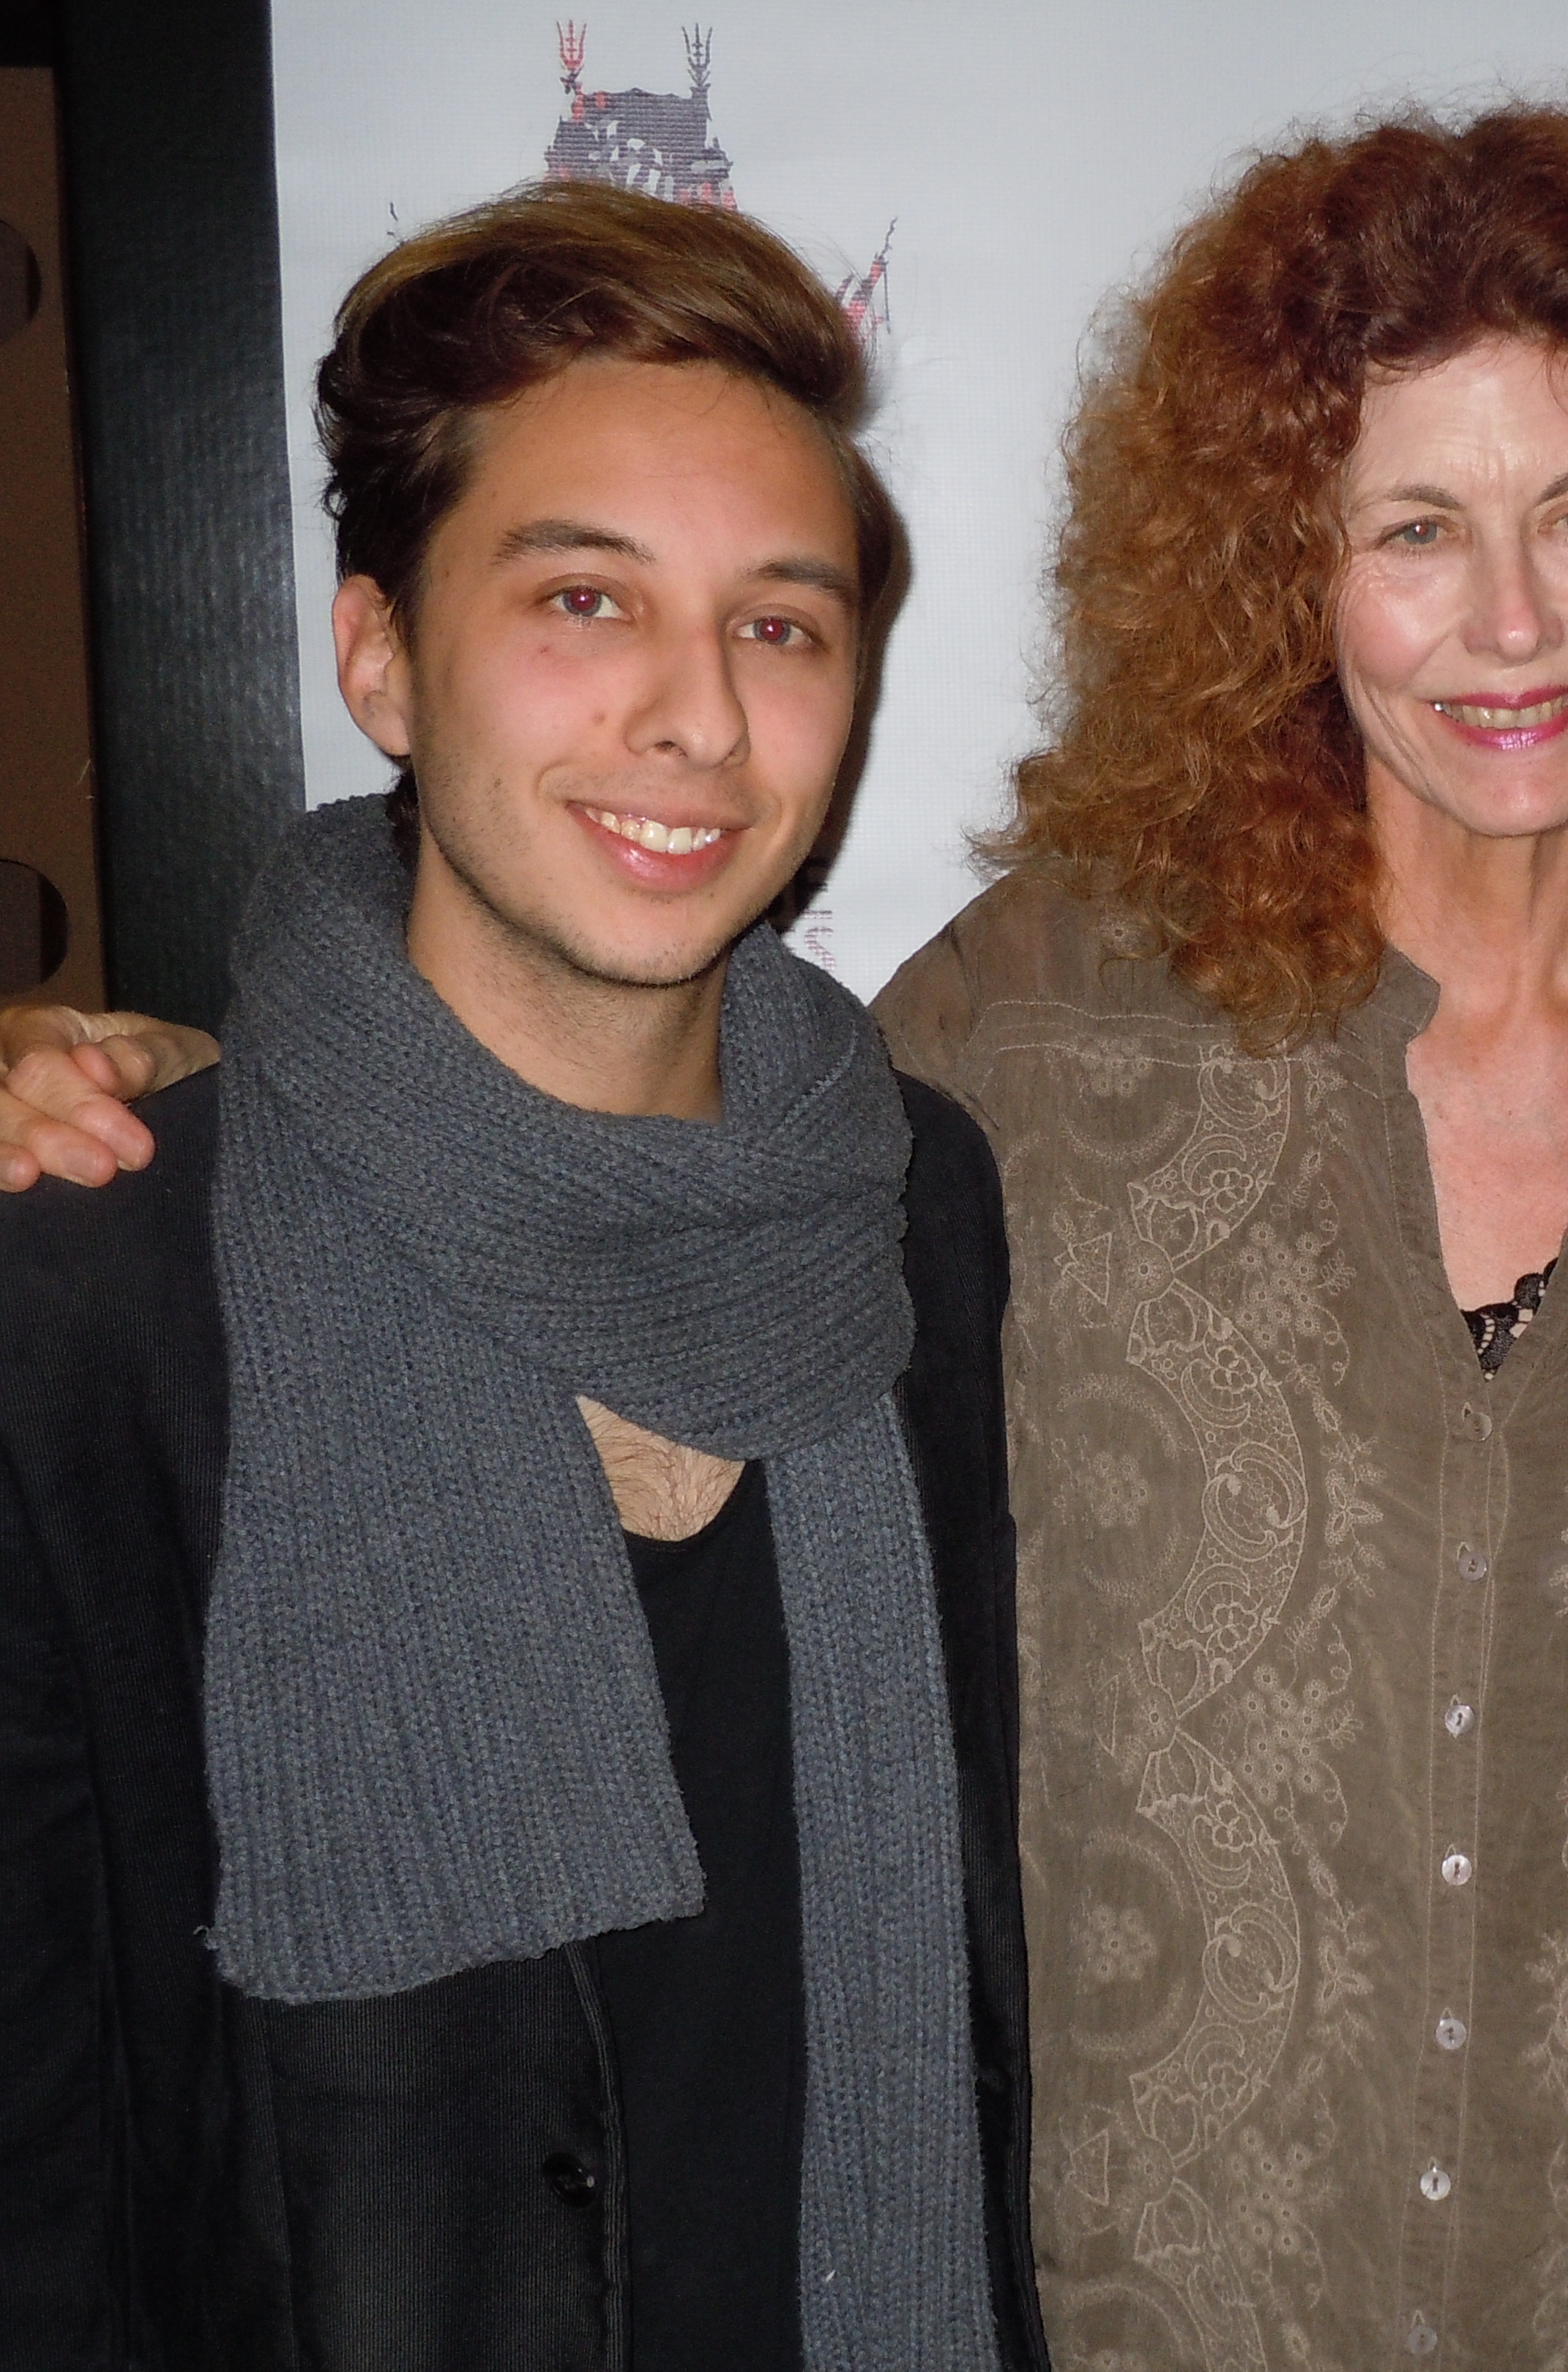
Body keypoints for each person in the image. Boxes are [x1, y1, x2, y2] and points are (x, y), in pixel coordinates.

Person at [4, 103, 1568, 2370]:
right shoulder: (1030, 1059)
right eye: (1414, 526)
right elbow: (596, 1122)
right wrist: (134, 1082)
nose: (1515, 616)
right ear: (1281, 572)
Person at [0, 183, 1046, 2371]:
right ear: (377, 652)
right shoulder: (96, 1282)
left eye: (780, 626)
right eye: (587, 599)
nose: (692, 720)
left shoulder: (919, 1197)